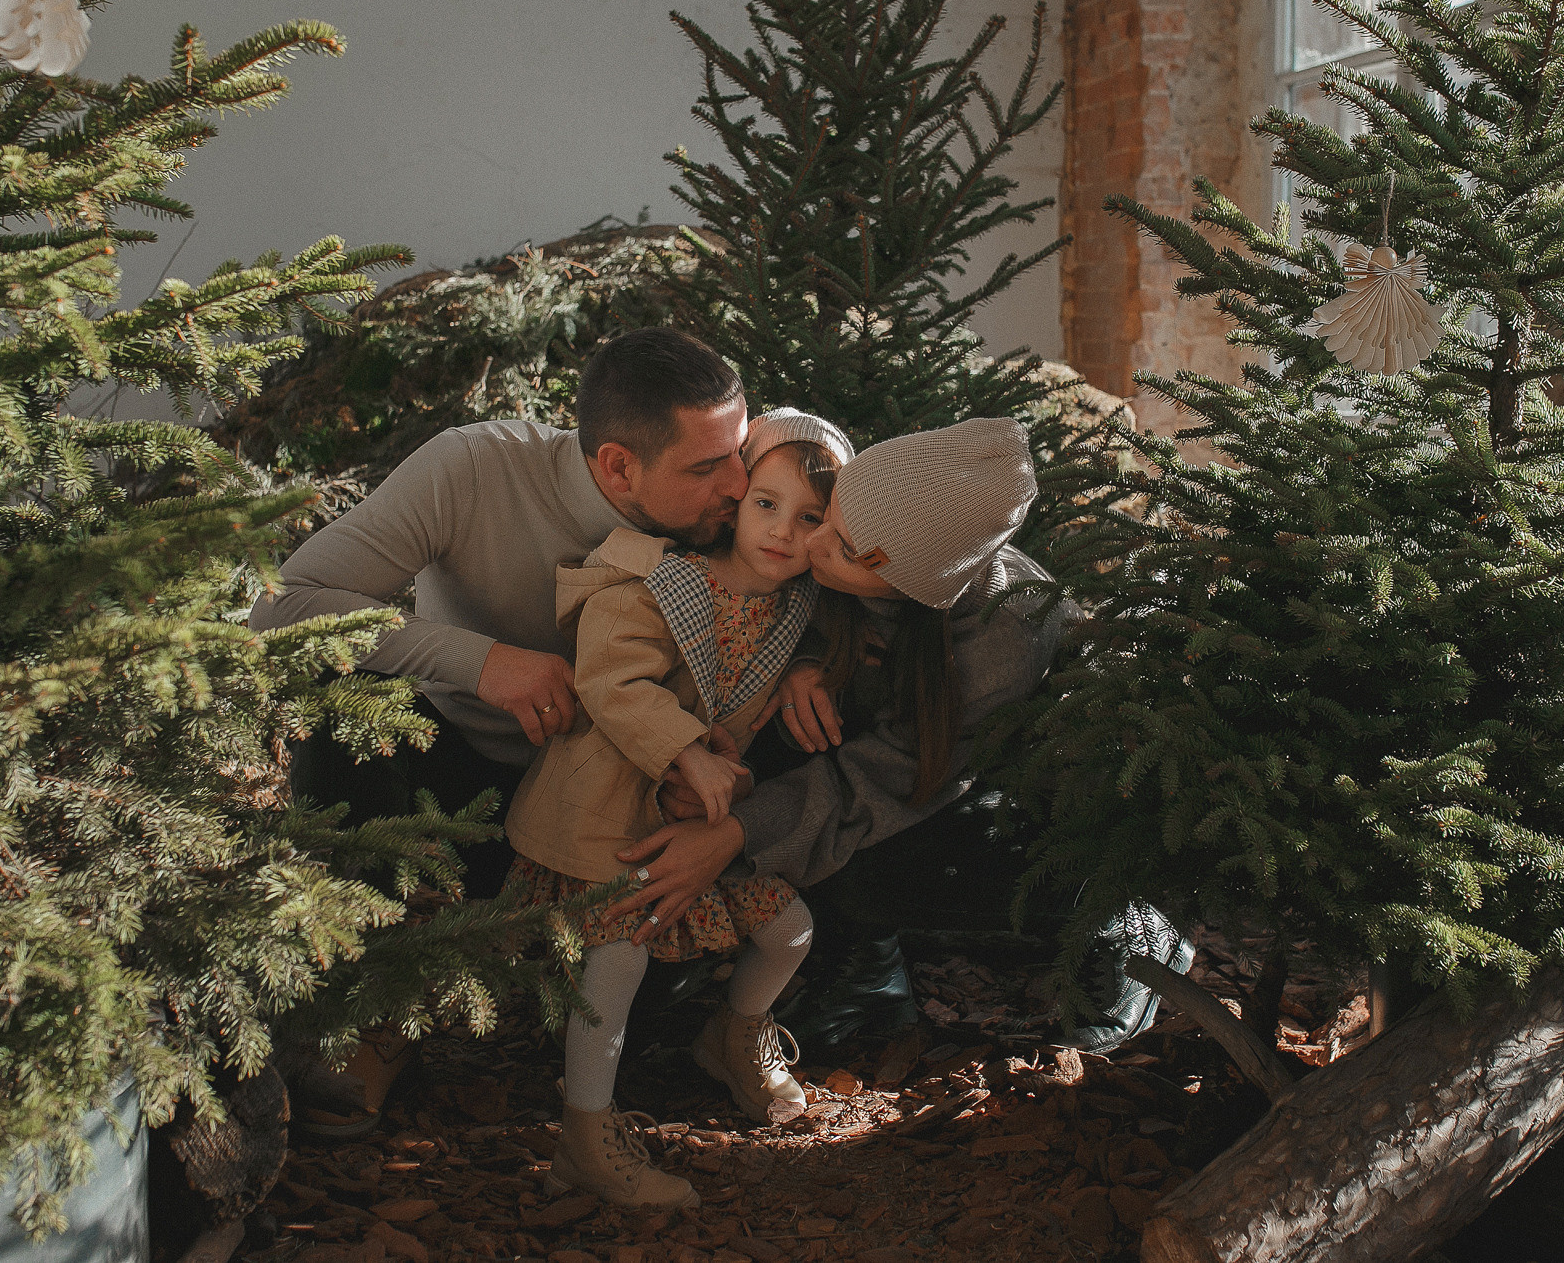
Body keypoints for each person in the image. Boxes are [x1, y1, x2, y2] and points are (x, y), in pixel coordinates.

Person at [247, 326, 754, 1136]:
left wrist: (740, 825)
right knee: (336, 682)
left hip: (623, 809)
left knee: (638, 1033)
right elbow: (282, 608)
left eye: (741, 449)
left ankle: (720, 1019)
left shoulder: (742, 510)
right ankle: (357, 1006)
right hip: (458, 767)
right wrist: (479, 661)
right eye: (705, 467)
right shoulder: (476, 469)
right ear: (618, 464)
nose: (738, 482)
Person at [611, 419, 1079, 1036]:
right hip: (879, 764)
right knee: (794, 735)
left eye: (846, 546)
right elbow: (783, 437)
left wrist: (736, 835)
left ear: (913, 585)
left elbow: (893, 780)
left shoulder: (1005, 636)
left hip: (993, 802)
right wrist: (810, 661)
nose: (811, 543)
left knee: (889, 852)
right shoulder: (858, 535)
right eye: (827, 514)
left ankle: (1118, 939)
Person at [503, 410, 853, 1208]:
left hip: (697, 821)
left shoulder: (799, 612)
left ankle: (733, 1037)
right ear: (736, 499)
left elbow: (803, 657)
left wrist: (806, 672)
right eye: (765, 504)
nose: (780, 531)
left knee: (789, 929)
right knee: (618, 956)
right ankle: (583, 1135)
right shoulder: (662, 580)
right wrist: (685, 749)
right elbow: (610, 679)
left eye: (808, 520)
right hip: (607, 804)